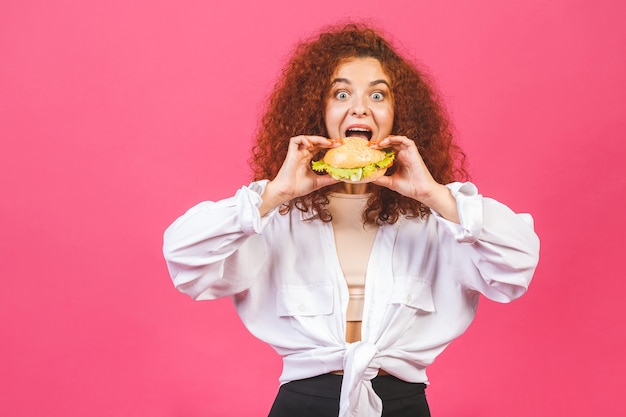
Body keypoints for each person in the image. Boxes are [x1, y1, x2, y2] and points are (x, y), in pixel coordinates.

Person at [162, 23, 540, 417]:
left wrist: (433, 194)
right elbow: (185, 260)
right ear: (318, 113)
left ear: (398, 116)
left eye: (377, 95)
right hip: (303, 404)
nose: (359, 107)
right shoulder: (277, 213)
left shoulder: (436, 217)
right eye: (341, 94)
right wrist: (275, 193)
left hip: (402, 404)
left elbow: (516, 268)